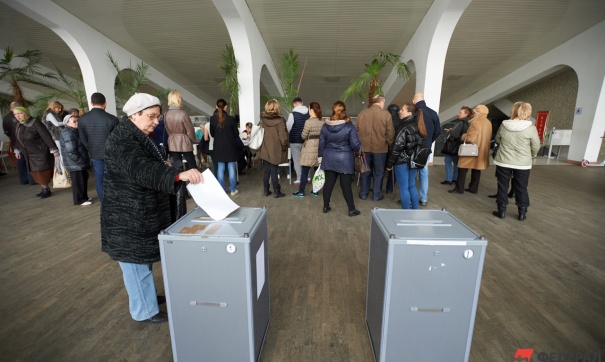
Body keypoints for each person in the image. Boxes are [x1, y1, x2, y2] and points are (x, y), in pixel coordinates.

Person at [101, 93, 204, 324]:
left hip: (136, 212)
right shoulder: (123, 140)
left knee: (141, 262)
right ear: (134, 115)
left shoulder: (134, 134)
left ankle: (145, 298)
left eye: (157, 117)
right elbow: (140, 169)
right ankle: (144, 311)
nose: (156, 122)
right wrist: (177, 173)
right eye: (151, 117)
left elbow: (147, 164)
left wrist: (164, 165)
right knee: (135, 265)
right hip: (126, 216)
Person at [492, 102, 540, 221]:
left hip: (504, 160)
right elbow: (536, 146)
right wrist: (530, 154)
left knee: (502, 186)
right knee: (521, 187)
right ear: (527, 112)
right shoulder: (531, 128)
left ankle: (501, 211)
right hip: (523, 163)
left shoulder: (504, 125)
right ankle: (522, 213)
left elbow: (498, 139)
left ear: (513, 111)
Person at [318, 101, 362, 216]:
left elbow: (321, 144)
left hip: (329, 157)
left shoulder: (325, 126)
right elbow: (355, 145)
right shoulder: (349, 126)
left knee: (328, 183)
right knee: (346, 185)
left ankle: (326, 206)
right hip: (345, 159)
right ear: (344, 111)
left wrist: (320, 157)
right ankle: (351, 209)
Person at [78, 92, 120, 202]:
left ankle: (104, 202)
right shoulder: (112, 119)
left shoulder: (82, 120)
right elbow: (117, 140)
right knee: (114, 178)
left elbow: (83, 139)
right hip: (111, 154)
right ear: (105, 103)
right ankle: (116, 201)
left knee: (100, 179)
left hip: (95, 153)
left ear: (91, 103)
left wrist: (90, 148)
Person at [12, 106, 59, 198]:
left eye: (19, 113)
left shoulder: (36, 124)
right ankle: (44, 189)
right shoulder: (19, 125)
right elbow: (18, 139)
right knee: (35, 172)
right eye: (15, 114)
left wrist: (54, 149)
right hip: (28, 153)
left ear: (26, 113)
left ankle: (46, 189)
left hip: (39, 152)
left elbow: (46, 137)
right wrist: (17, 150)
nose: (17, 116)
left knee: (41, 172)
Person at [386, 103, 426, 209]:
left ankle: (406, 212)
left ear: (409, 113)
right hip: (413, 161)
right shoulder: (418, 125)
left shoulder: (404, 127)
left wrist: (389, 164)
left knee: (403, 188)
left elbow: (396, 147)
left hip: (402, 162)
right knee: (411, 185)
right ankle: (415, 209)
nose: (400, 111)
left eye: (402, 110)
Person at [356, 94, 395, 201]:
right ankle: (376, 195)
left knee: (365, 170)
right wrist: (390, 144)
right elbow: (390, 133)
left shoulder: (362, 113)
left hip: (364, 148)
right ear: (381, 102)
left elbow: (356, 129)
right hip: (380, 149)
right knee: (379, 172)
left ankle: (363, 193)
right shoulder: (386, 114)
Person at [449, 105, 492, 194]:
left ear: (479, 113)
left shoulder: (475, 122)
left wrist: (462, 136)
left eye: (475, 112)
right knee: (476, 169)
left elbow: (470, 138)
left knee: (462, 168)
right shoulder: (488, 123)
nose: (474, 113)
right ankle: (473, 188)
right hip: (481, 150)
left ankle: (459, 189)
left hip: (471, 149)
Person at [412, 92, 441, 206]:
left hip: (414, 147)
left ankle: (412, 197)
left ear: (414, 101)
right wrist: (429, 141)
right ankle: (423, 198)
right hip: (426, 148)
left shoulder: (415, 113)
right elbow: (438, 131)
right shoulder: (433, 113)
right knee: (424, 172)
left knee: (412, 172)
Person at [257, 99, 288, 198]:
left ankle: (266, 190)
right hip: (276, 149)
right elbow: (283, 138)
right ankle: (276, 191)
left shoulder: (262, 120)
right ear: (277, 108)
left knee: (266, 170)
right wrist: (284, 148)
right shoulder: (280, 121)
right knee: (274, 170)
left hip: (265, 148)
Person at [292, 102, 324, 198]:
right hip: (319, 148)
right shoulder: (322, 122)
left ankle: (301, 191)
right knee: (317, 171)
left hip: (309, 148)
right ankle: (315, 191)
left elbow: (303, 135)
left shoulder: (308, 122)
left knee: (305, 170)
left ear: (311, 110)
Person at [60, 114, 92, 206]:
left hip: (77, 162)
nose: (77, 123)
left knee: (82, 179)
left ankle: (84, 197)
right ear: (67, 123)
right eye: (74, 122)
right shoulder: (68, 133)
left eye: (77, 121)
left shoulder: (74, 131)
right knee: (78, 182)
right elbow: (71, 151)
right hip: (75, 163)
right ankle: (79, 200)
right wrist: (80, 161)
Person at [210, 99, 240, 195]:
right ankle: (233, 189)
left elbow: (212, 134)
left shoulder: (212, 119)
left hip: (218, 147)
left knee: (220, 167)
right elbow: (236, 134)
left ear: (216, 106)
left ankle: (222, 189)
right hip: (230, 146)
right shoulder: (231, 119)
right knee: (231, 167)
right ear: (226, 107)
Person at [3, 102, 36, 185]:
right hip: (26, 141)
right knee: (29, 160)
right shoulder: (23, 116)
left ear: (11, 108)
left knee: (20, 161)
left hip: (15, 142)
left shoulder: (6, 118)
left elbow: (6, 131)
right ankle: (32, 179)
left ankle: (24, 179)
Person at [164, 90, 197, 170]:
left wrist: (172, 136)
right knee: (192, 166)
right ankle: (194, 182)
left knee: (178, 167)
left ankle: (180, 183)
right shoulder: (183, 113)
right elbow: (190, 131)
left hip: (172, 141)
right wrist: (192, 140)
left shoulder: (166, 113)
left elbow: (167, 129)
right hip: (185, 141)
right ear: (178, 99)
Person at [440, 106, 472, 185]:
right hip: (461, 145)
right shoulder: (470, 122)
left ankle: (448, 179)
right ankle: (455, 178)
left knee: (447, 160)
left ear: (466, 114)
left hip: (454, 145)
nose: (458, 114)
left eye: (460, 113)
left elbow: (454, 134)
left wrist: (450, 132)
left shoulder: (461, 122)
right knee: (457, 162)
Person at [286, 97, 310, 185]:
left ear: (294, 104)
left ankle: (300, 178)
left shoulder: (292, 114)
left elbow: (288, 128)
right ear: (302, 102)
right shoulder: (309, 113)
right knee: (306, 159)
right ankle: (308, 177)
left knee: (297, 160)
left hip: (294, 141)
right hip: (306, 141)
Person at [386, 104, 403, 194]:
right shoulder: (401, 121)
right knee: (393, 169)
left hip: (384, 146)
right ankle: (390, 188)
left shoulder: (385, 120)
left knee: (379, 169)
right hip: (396, 147)